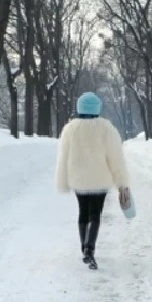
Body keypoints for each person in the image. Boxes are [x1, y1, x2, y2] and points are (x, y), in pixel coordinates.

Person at [55, 91, 130, 269]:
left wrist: (62, 180)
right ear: (97, 109)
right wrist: (121, 181)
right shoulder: (107, 129)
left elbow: (62, 157)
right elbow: (115, 158)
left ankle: (84, 249)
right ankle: (90, 249)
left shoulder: (70, 129)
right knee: (95, 213)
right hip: (100, 178)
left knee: (83, 212)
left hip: (78, 178)